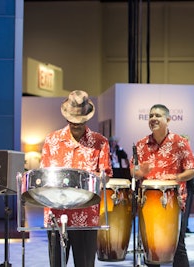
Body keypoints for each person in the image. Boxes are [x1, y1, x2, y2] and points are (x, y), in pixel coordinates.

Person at [40, 90, 112, 267]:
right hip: (56, 214)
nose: (76, 124)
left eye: (80, 121)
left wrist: (95, 178)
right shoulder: (52, 140)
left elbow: (106, 176)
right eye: (72, 121)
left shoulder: (100, 142)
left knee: (85, 264)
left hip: (86, 215)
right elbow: (44, 174)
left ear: (87, 118)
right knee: (56, 264)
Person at [131, 104, 194, 267]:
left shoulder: (179, 142)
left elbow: (193, 169)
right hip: (149, 200)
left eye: (158, 116)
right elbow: (133, 171)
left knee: (178, 245)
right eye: (151, 116)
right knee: (151, 246)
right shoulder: (141, 144)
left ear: (168, 119)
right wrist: (140, 172)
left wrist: (177, 177)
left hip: (174, 200)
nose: (153, 118)